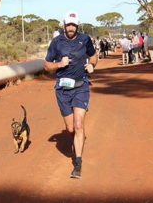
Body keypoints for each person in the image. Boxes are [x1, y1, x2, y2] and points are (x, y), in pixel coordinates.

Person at [44, 11, 97, 179]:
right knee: (71, 128)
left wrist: (92, 65)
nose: (71, 27)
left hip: (81, 86)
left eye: (74, 24)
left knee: (79, 124)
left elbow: (94, 56)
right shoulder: (57, 42)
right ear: (64, 25)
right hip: (62, 90)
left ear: (77, 25)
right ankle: (76, 140)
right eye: (69, 24)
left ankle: (78, 163)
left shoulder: (85, 39)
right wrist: (60, 64)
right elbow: (46, 66)